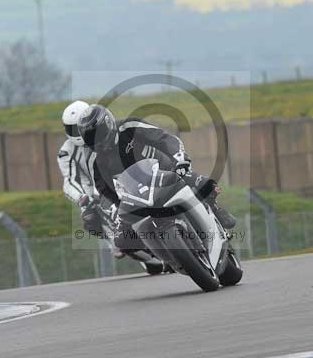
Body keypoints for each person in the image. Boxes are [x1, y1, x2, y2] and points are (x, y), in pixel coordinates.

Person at [77, 104, 236, 251]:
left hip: (166, 170)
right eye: (90, 137)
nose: (96, 140)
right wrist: (119, 207)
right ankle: (161, 250)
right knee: (122, 240)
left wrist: (179, 159)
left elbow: (164, 138)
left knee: (204, 185)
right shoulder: (94, 158)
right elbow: (104, 189)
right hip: (136, 193)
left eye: (97, 134)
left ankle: (214, 207)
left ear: (108, 124)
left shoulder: (129, 126)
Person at [57, 100, 118, 252]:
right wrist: (82, 198)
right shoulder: (66, 151)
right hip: (94, 191)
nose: (75, 132)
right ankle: (114, 240)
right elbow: (69, 180)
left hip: (118, 179)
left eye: (77, 127)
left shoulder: (106, 132)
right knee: (90, 220)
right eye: (71, 128)